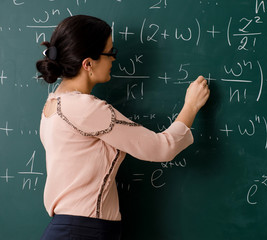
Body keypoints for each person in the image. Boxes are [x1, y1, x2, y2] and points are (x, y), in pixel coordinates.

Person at [36, 15, 210, 240]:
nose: (114, 60)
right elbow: (161, 148)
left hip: (74, 229)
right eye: (111, 53)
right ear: (88, 64)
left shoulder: (53, 104)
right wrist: (191, 106)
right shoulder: (85, 108)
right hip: (83, 232)